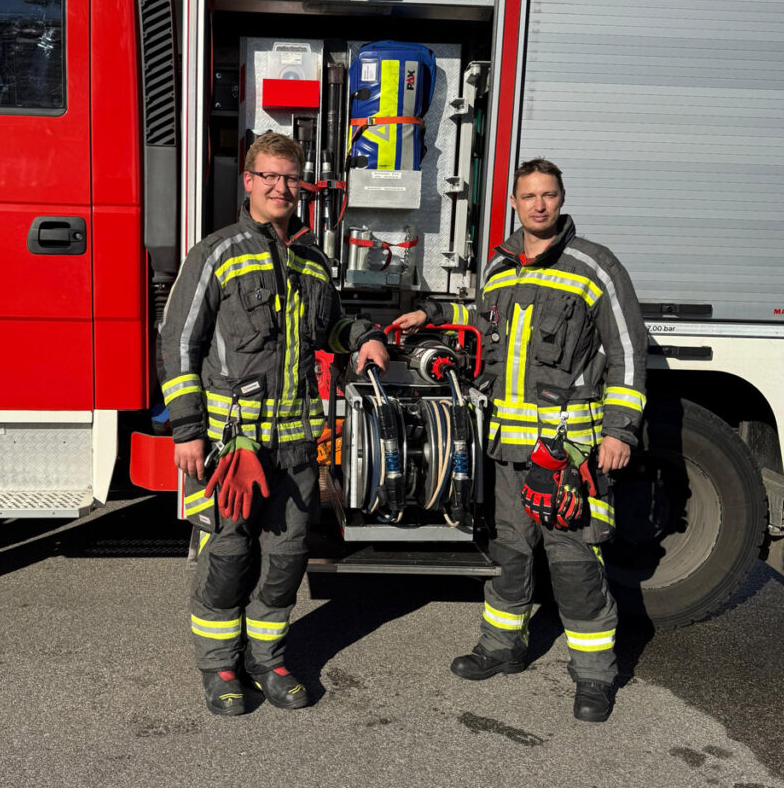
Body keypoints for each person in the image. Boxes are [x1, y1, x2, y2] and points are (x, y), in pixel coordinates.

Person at [393, 158, 646, 722]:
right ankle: (502, 646)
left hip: (567, 453)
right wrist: (429, 315)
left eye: (548, 195)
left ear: (561, 199)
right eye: (528, 196)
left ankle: (594, 676)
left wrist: (620, 430)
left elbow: (628, 351)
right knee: (507, 552)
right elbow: (480, 321)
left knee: (574, 564)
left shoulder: (595, 266)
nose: (539, 205)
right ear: (514, 203)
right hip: (507, 449)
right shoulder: (500, 268)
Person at [158, 131, 389, 716]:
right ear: (249, 181)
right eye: (269, 176)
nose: (280, 187)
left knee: (285, 560)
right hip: (231, 447)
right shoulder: (217, 253)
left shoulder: (314, 263)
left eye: (290, 178)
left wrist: (364, 337)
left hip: (295, 450)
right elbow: (178, 343)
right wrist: (187, 430)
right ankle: (220, 666)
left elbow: (331, 327)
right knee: (226, 557)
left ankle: (268, 659)